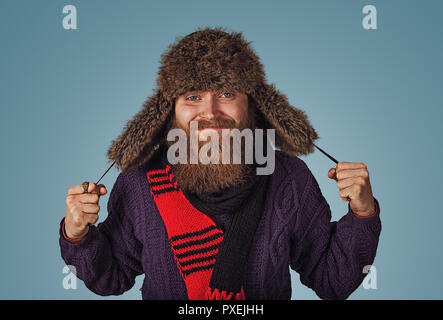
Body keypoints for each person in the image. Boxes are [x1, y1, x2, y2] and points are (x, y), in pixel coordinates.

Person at [60, 27, 381, 300]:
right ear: (169, 111)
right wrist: (77, 234)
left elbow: (331, 280)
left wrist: (363, 212)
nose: (210, 112)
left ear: (252, 104)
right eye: (192, 96)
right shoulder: (139, 182)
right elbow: (111, 278)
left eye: (226, 93)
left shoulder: (289, 177)